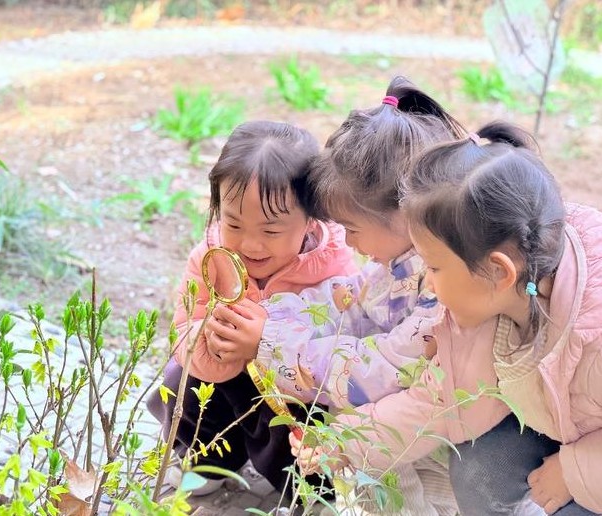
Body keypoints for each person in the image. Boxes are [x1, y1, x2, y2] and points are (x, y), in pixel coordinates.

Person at [204, 77, 477, 515]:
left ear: (403, 217)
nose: (348, 243)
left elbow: (383, 369)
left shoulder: (443, 290)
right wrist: (272, 317)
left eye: (351, 228)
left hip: (434, 457)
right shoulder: (398, 264)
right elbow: (346, 303)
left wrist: (269, 341)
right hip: (396, 445)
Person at [394, 122, 602, 515]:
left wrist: (575, 472)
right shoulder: (517, 287)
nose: (426, 284)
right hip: (586, 434)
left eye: (433, 267)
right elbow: (435, 398)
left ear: (499, 272)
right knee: (480, 469)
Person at [146, 120, 357, 497]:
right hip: (226, 382)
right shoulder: (210, 258)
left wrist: (266, 345)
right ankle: (207, 463)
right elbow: (184, 327)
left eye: (271, 230)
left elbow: (336, 358)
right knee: (183, 381)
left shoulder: (333, 271)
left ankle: (308, 489)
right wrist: (208, 337)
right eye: (234, 223)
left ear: (311, 219)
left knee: (302, 424)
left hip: (296, 391)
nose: (250, 244)